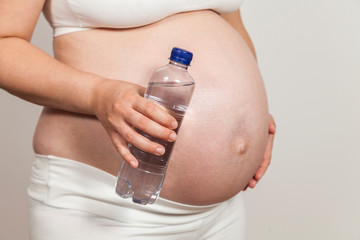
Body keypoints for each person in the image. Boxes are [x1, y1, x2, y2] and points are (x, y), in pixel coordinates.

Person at [0, 0, 276, 239]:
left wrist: (252, 117)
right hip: (105, 205)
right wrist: (98, 94)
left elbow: (227, 19)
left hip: (222, 214)